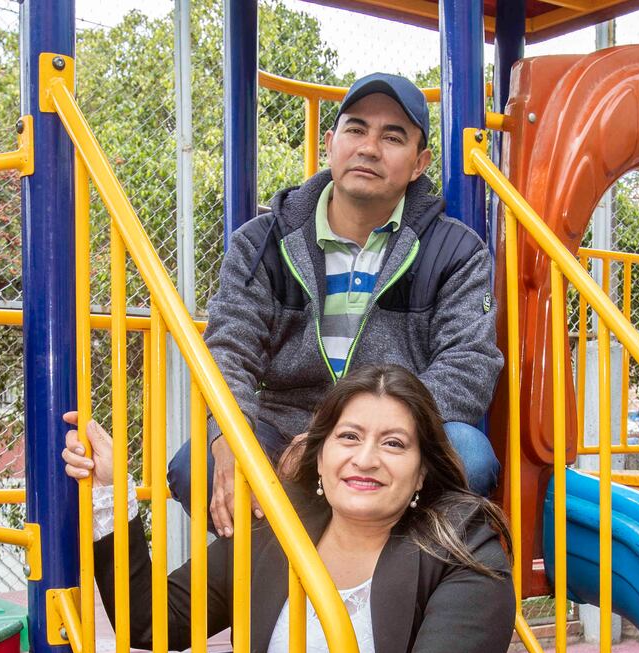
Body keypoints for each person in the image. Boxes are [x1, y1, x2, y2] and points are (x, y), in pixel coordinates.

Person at [63, 364, 519, 653]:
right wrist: (111, 493)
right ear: (320, 456)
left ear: (422, 470)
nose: (366, 459)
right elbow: (149, 621)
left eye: (394, 444)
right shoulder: (279, 527)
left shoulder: (463, 543)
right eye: (349, 437)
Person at [169, 73, 503, 537]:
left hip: (394, 432)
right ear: (331, 142)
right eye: (356, 129)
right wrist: (228, 434)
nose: (369, 147)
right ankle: (278, 598)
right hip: (286, 425)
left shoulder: (455, 250)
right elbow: (229, 349)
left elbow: (469, 364)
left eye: (392, 136)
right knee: (198, 465)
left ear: (419, 162)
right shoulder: (263, 241)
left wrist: (346, 435)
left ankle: (395, 595)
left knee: (469, 455)